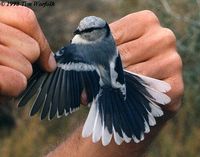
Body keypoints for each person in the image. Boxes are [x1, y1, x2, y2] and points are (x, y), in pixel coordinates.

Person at [0, 5, 183, 157]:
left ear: (102, 31)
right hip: (122, 85)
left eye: (87, 31)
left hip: (114, 86)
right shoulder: (91, 44)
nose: (79, 32)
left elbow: (54, 69)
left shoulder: (75, 50)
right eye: (80, 30)